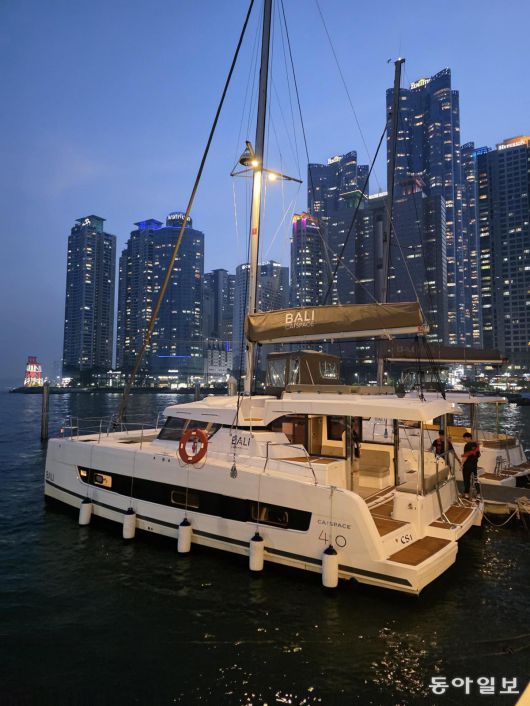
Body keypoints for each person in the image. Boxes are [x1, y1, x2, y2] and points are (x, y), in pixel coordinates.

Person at [461, 432, 481, 499]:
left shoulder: (467, 445)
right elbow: (479, 455)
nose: (464, 439)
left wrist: (462, 464)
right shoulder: (476, 445)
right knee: (475, 479)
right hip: (474, 465)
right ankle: (478, 494)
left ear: (468, 437)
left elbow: (465, 456)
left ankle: (466, 494)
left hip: (467, 465)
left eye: (465, 438)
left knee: (466, 479)